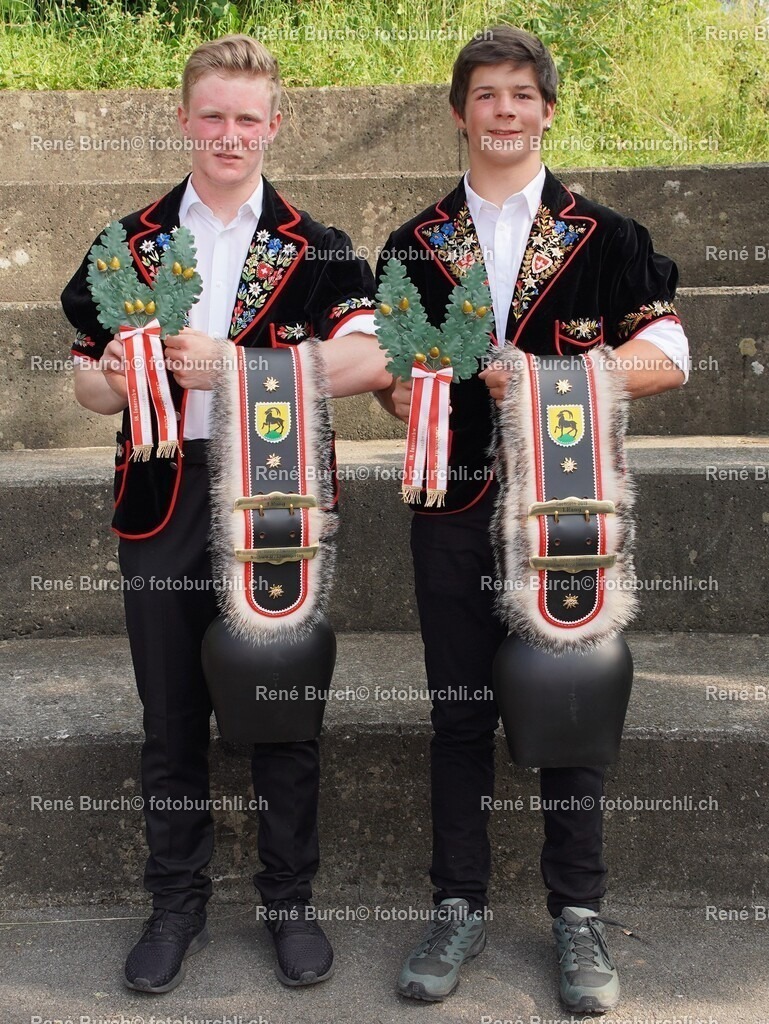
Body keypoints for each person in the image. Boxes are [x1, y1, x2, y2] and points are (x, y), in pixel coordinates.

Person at [61, 34, 390, 995]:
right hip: (162, 490)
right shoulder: (128, 242)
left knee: (282, 705)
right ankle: (176, 905)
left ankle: (290, 903)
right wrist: (111, 377)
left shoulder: (320, 247)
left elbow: (368, 363)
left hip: (274, 494)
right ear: (183, 120)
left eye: (248, 118)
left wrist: (234, 370)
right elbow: (84, 379)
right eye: (212, 115)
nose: (229, 134)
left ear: (274, 126)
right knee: (169, 713)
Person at [375, 25, 689, 1013]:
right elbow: (389, 376)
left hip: (571, 513)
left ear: (547, 109)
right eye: (485, 95)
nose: (503, 111)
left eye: (521, 94)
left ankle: (577, 917)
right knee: (457, 717)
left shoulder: (610, 239)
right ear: (460, 113)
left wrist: (560, 379)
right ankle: (457, 903)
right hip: (455, 508)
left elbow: (670, 356)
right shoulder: (414, 245)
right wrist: (408, 396)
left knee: (572, 715)